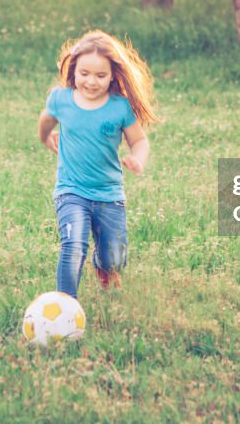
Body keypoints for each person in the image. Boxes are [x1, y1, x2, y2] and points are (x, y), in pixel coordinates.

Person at [38, 31, 159, 298]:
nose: (91, 82)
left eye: (100, 76)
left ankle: (104, 268)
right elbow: (45, 121)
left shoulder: (120, 108)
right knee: (73, 245)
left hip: (109, 194)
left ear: (114, 75)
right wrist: (46, 136)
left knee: (113, 257)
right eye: (84, 73)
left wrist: (137, 159)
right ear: (74, 69)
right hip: (71, 190)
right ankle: (65, 304)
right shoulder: (61, 100)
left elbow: (139, 141)